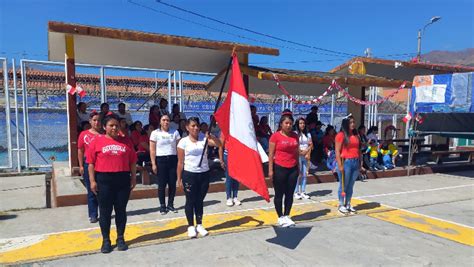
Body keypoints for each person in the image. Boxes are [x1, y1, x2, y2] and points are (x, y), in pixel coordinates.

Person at [87, 114, 137, 253]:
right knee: (105, 212)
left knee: (121, 211)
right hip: (104, 180)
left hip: (122, 180)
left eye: (116, 125)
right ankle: (106, 240)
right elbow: (90, 163)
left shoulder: (126, 141)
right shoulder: (97, 141)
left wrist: (133, 178)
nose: (115, 128)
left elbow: (132, 161)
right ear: (104, 127)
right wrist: (92, 181)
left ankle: (120, 238)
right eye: (111, 125)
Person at [177, 117, 221, 238]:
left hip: (204, 174)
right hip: (189, 174)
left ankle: (199, 224)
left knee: (200, 200)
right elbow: (180, 162)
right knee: (190, 200)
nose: (196, 128)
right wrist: (179, 178)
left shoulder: (204, 138)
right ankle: (191, 226)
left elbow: (219, 144)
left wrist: (212, 137)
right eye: (193, 126)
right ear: (187, 127)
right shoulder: (183, 142)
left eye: (197, 126)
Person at [268, 113, 299, 227]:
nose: (288, 125)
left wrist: (298, 168)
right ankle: (280, 216)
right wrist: (271, 170)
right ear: (281, 124)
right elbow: (271, 155)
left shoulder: (295, 136)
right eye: (286, 123)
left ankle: (287, 215)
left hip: (293, 168)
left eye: (290, 123)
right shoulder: (275, 136)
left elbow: (296, 152)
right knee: (279, 194)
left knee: (290, 194)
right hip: (280, 168)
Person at [150, 114, 181, 215]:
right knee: (162, 184)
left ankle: (170, 204)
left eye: (167, 120)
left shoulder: (175, 132)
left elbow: (179, 148)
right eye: (163, 120)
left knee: (172, 183)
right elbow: (152, 149)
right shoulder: (155, 133)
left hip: (172, 159)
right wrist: (153, 163)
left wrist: (181, 161)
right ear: (160, 122)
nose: (166, 122)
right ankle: (162, 205)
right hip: (161, 160)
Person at [335, 115, 364, 215]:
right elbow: (337, 151)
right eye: (350, 122)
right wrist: (340, 165)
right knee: (344, 185)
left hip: (355, 162)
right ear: (346, 124)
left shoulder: (356, 135)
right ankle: (341, 204)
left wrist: (360, 163)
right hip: (345, 162)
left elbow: (359, 150)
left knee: (351, 185)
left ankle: (348, 202)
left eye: (353, 122)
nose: (353, 124)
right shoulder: (341, 135)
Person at [77, 110, 101, 223]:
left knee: (102, 190)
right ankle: (93, 214)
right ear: (90, 121)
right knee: (91, 190)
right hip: (88, 165)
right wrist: (81, 165)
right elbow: (80, 150)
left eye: (98, 120)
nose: (97, 122)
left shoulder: (103, 135)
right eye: (94, 120)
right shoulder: (84, 134)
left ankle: (104, 212)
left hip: (101, 166)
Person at [219, 133, 241, 207]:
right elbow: (220, 146)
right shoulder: (224, 131)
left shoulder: (238, 130)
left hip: (237, 155)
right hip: (228, 155)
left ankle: (235, 197)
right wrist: (221, 160)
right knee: (229, 177)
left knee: (237, 178)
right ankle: (228, 197)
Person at [294, 118, 312, 200]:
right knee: (298, 174)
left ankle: (303, 191)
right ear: (297, 124)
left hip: (306, 156)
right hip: (298, 155)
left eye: (303, 123)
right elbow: (295, 145)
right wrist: (300, 152)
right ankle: (296, 191)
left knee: (305, 174)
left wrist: (307, 152)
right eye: (300, 123)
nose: (302, 125)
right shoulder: (295, 134)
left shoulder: (308, 134)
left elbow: (311, 144)